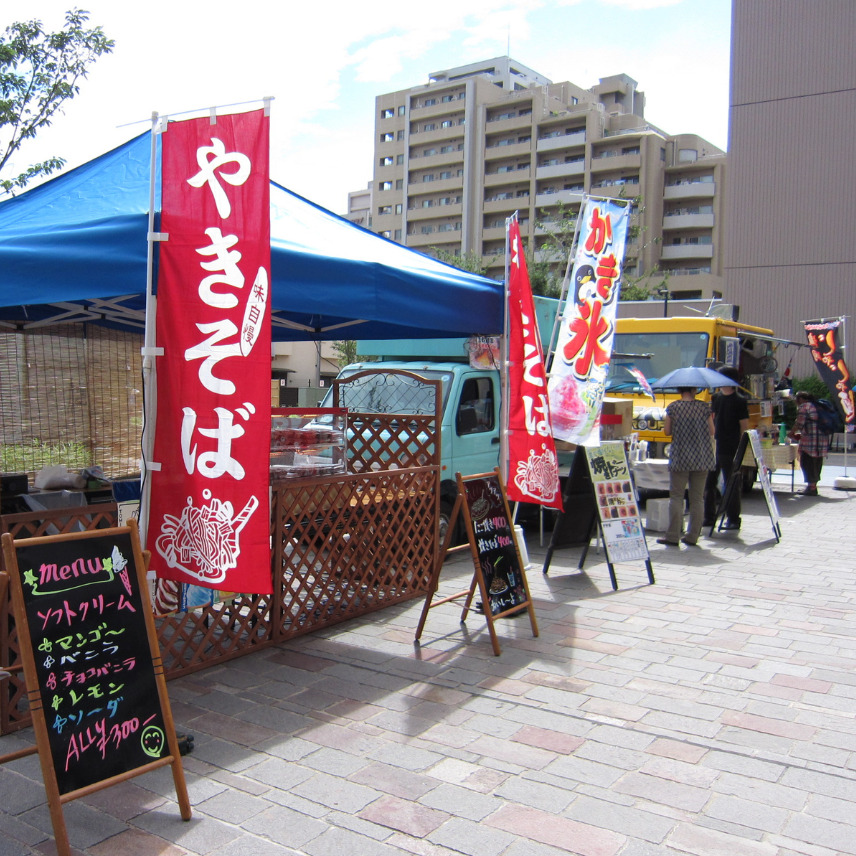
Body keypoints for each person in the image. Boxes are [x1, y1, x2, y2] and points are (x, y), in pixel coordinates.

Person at [657, 386, 715, 547]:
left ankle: (673, 535)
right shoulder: (704, 407)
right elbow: (712, 430)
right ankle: (693, 536)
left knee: (676, 496)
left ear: (679, 390)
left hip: (680, 457)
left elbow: (667, 432)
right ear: (695, 389)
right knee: (697, 498)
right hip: (702, 456)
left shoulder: (673, 407)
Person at [703, 367, 750, 530]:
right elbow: (713, 420)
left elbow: (744, 425)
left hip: (731, 446)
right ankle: (708, 517)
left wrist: (742, 447)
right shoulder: (715, 398)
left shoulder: (740, 400)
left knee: (731, 483)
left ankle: (733, 518)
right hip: (714, 446)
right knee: (708, 483)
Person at [788, 391, 829, 495]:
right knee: (817, 463)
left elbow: (799, 423)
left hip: (810, 441)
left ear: (800, 399)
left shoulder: (804, 407)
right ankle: (813, 486)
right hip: (822, 440)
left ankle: (811, 488)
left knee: (807, 463)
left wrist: (791, 433)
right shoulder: (818, 405)